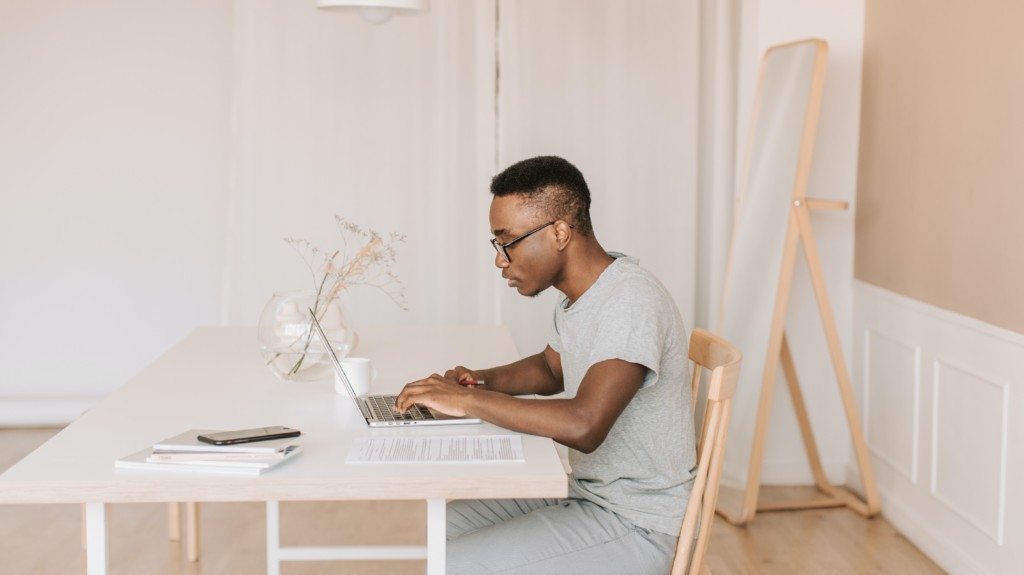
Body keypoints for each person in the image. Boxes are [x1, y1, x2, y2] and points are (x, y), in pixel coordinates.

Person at [395, 155, 695, 575]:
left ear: (558, 232)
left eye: (508, 241)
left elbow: (585, 424)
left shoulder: (631, 302)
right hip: (587, 493)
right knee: (440, 527)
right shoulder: (583, 296)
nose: (500, 259)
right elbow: (552, 371)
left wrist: (468, 404)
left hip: (637, 521)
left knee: (460, 564)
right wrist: (476, 383)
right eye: (496, 244)